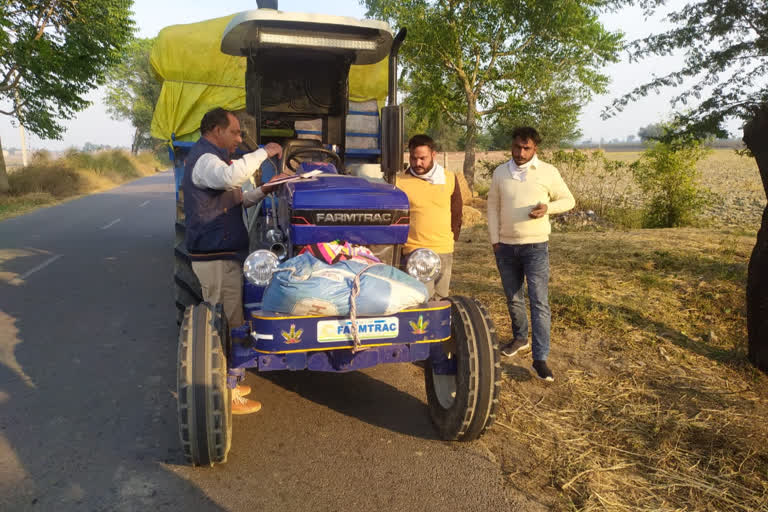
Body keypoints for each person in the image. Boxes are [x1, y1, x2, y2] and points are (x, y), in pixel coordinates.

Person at [182, 107, 288, 414]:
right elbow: (231, 177)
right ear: (216, 131)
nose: (239, 138)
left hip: (225, 253)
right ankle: (225, 393)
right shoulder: (205, 159)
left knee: (233, 317)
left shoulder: (213, 161)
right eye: (235, 132)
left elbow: (236, 198)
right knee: (225, 324)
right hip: (215, 256)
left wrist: (265, 189)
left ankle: (229, 381)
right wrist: (263, 152)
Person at [487, 126, 574, 382]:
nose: (521, 153)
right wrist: (495, 240)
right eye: (517, 147)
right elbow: (492, 207)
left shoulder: (548, 171)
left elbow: (569, 200)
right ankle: (520, 338)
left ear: (535, 149)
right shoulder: (501, 172)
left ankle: (540, 359)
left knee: (538, 301)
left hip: (536, 246)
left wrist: (547, 208)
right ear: (511, 146)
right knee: (513, 298)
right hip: (505, 246)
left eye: (526, 148)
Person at [396, 134, 462, 300]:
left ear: (434, 154)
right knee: (421, 301)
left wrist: (452, 237)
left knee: (441, 300)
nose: (417, 163)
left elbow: (456, 211)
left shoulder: (449, 178)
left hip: (444, 249)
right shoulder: (399, 182)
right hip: (415, 252)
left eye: (422, 158)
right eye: (413, 158)